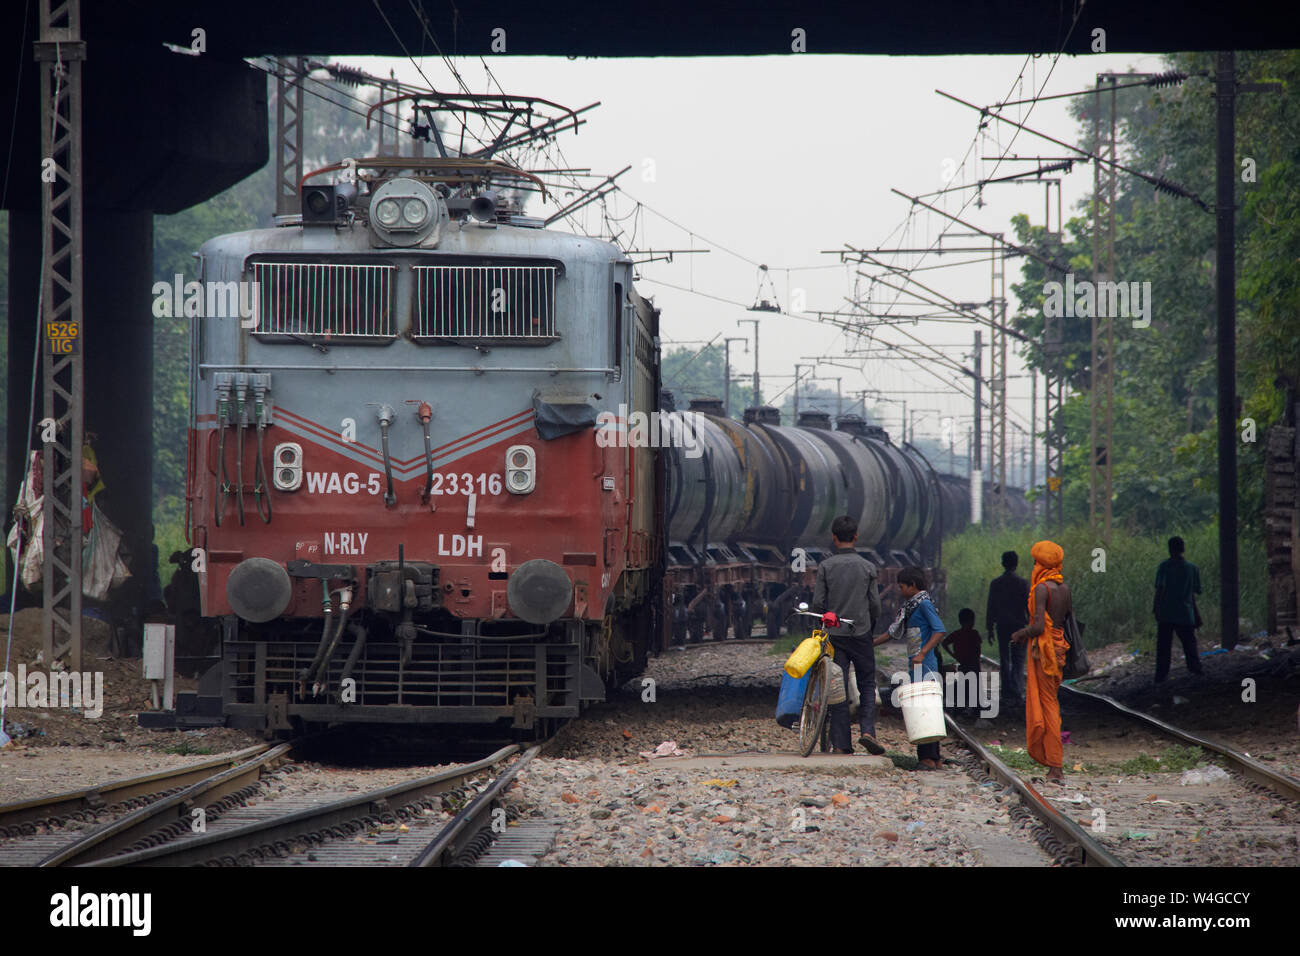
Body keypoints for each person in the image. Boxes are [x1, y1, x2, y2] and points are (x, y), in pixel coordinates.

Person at [813, 514, 885, 756]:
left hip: (835, 636)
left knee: (838, 687)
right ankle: (867, 732)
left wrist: (829, 617)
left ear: (834, 538)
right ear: (856, 537)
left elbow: (818, 602)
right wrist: (869, 624)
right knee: (866, 683)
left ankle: (841, 743)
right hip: (862, 632)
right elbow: (875, 604)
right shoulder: (868, 567)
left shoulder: (825, 567)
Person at [1011, 540, 1071, 784]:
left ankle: (1055, 766)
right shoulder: (1064, 588)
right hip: (1058, 649)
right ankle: (1053, 762)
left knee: (1048, 707)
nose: (1034, 565)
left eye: (1036, 561)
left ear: (1041, 563)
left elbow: (1037, 626)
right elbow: (1067, 620)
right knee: (1051, 702)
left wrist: (1020, 634)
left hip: (1043, 653)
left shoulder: (1041, 589)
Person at [876, 566, 946, 771]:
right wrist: (871, 643)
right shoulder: (911, 606)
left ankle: (928, 758)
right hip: (917, 663)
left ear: (912, 585)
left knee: (924, 709)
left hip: (925, 663)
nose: (899, 590)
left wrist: (923, 653)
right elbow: (891, 633)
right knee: (925, 708)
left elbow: (939, 630)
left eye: (902, 586)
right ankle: (933, 757)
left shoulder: (923, 604)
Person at [1153, 536, 1205, 682]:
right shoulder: (1192, 569)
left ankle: (1161, 675)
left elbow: (1159, 590)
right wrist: (1196, 615)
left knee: (1163, 647)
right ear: (1183, 549)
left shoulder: (1164, 567)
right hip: (1185, 613)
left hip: (1166, 613)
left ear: (1169, 549)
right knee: (1190, 644)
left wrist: (1156, 608)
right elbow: (1192, 595)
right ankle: (1196, 669)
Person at [986, 550, 1029, 702]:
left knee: (1004, 658)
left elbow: (991, 607)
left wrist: (989, 628)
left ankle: (1006, 690)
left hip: (1002, 626)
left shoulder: (996, 584)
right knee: (1018, 659)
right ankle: (1016, 690)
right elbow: (1028, 607)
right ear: (1016, 564)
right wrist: (1032, 627)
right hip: (1019, 626)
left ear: (1003, 563)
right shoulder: (1023, 583)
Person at [942, 608, 982, 712]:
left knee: (962, 684)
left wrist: (954, 655)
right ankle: (975, 707)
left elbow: (944, 643)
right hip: (973, 664)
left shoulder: (956, 634)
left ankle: (962, 706)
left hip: (963, 664)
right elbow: (978, 649)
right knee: (975, 685)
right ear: (972, 621)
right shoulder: (974, 634)